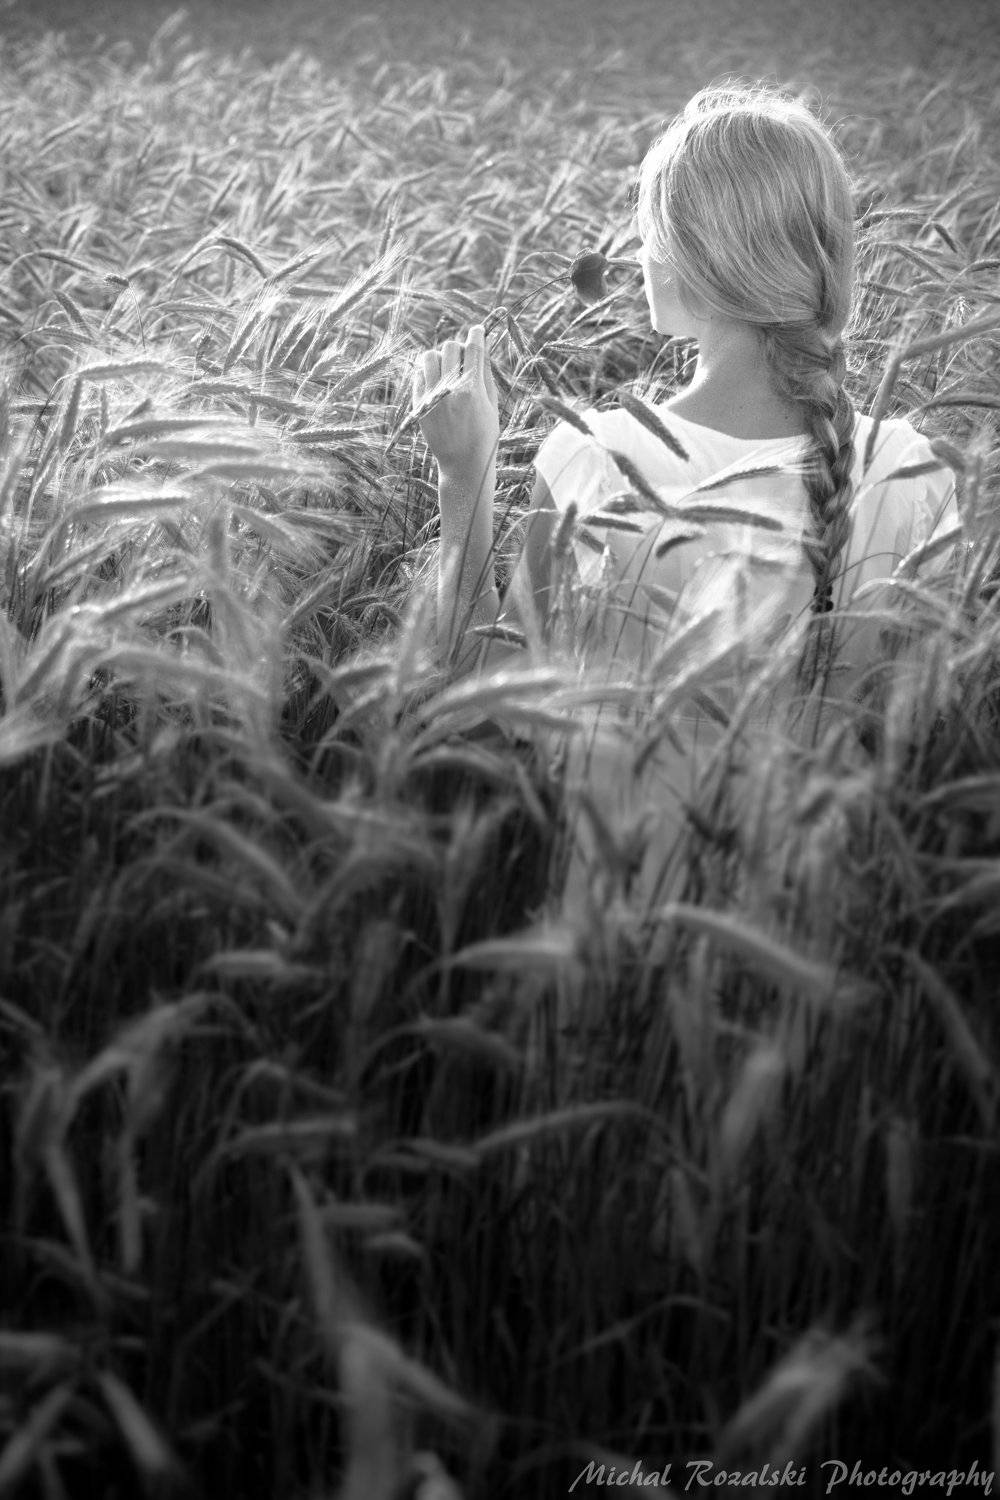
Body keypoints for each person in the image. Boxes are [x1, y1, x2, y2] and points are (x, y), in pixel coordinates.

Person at [411, 82, 960, 913]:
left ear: (692, 255)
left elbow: (487, 707)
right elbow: (934, 747)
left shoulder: (595, 459)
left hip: (612, 947)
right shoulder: (912, 474)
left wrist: (465, 476)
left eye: (650, 228)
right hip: (824, 982)